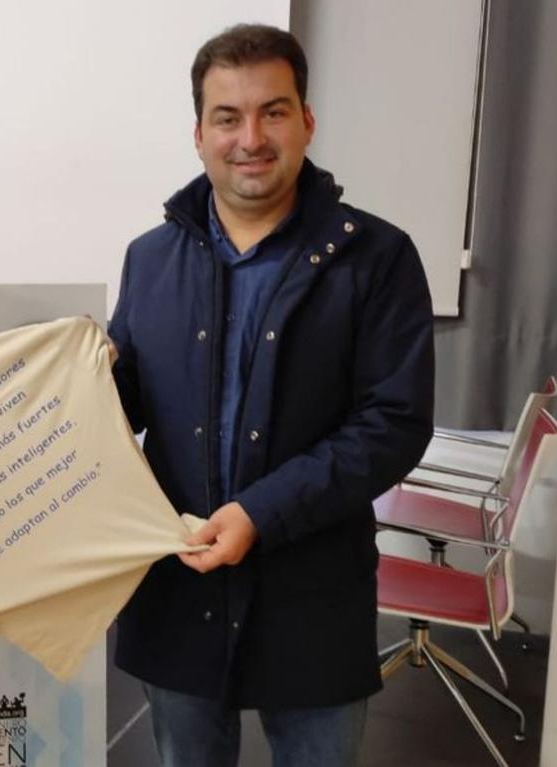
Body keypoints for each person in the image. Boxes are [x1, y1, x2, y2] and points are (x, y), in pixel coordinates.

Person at [108, 24, 434, 766]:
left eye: (273, 111)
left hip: (312, 596)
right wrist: (81, 380)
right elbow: (127, 403)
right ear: (198, 134)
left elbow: (394, 424)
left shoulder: (375, 257)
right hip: (178, 588)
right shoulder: (149, 259)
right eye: (227, 116)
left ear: (307, 121)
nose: (250, 137)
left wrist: (260, 512)